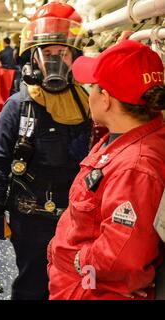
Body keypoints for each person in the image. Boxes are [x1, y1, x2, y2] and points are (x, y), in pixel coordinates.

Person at [0, 2, 91, 300]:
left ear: (75, 56)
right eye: (48, 53)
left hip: (77, 218)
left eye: (62, 52)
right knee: (32, 284)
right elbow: (0, 160)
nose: (55, 60)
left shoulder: (89, 104)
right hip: (30, 218)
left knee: (73, 283)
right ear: (35, 58)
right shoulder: (18, 106)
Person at [48, 40, 165, 300]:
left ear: (106, 99)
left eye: (92, 87)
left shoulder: (135, 168)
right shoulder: (128, 136)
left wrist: (74, 260)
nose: (88, 94)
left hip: (93, 289)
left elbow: (122, 257)